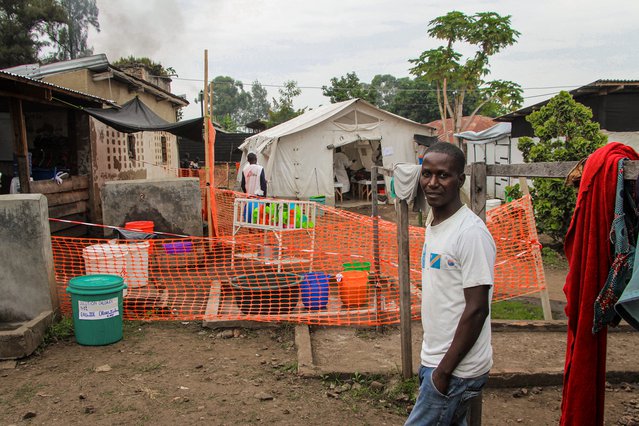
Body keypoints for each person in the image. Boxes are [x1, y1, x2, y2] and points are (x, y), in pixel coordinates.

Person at [405, 142, 496, 426]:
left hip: (455, 370)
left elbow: (477, 308)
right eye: (426, 174)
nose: (432, 183)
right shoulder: (435, 224)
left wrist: (443, 373)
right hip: (436, 360)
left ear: (460, 179)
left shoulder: (469, 233)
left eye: (443, 175)